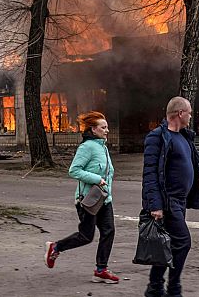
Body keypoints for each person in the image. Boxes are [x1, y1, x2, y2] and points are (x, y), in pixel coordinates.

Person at [142, 96, 199, 297]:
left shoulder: (185, 136)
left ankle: (154, 288)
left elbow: (187, 164)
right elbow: (150, 174)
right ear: (180, 113)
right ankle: (173, 289)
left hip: (181, 201)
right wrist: (155, 205)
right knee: (182, 242)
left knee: (170, 244)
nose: (191, 116)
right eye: (189, 112)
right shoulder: (157, 137)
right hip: (167, 201)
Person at [44, 111, 119, 284]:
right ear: (93, 129)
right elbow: (74, 170)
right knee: (86, 236)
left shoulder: (102, 147)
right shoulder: (86, 147)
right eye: (103, 127)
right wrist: (97, 179)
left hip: (104, 200)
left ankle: (101, 270)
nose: (107, 130)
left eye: (107, 127)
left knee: (109, 231)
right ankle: (56, 247)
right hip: (88, 200)